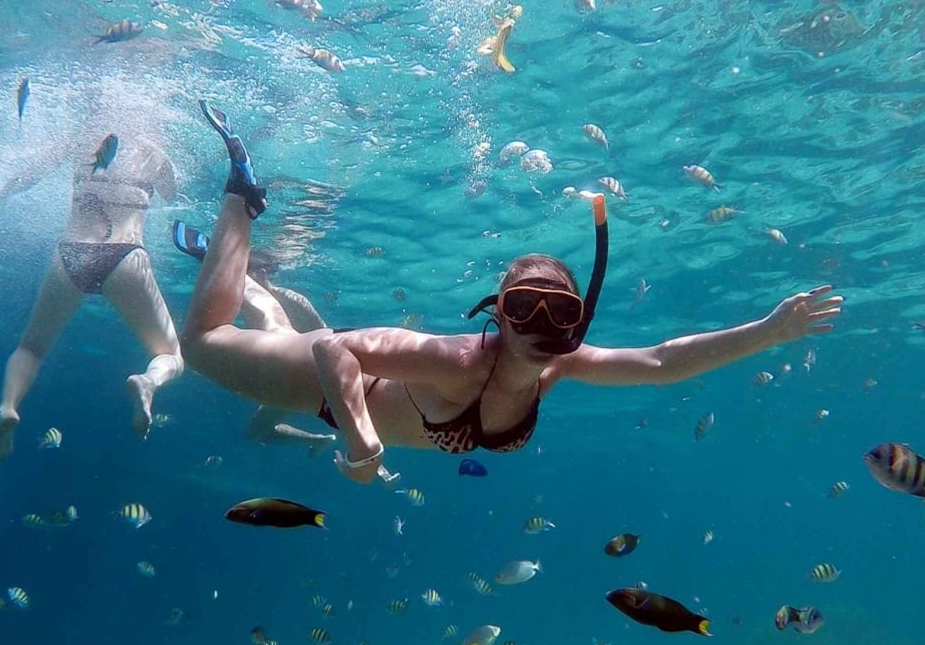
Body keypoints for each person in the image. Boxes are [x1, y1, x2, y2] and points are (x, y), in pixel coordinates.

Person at [174, 100, 844, 484]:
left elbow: (664, 362)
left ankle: (252, 277)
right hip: (330, 389)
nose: (541, 326)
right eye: (526, 307)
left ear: (580, 319)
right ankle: (241, 196)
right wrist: (359, 441)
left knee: (252, 325)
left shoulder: (562, 365)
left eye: (561, 311)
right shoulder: (456, 358)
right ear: (499, 313)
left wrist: (768, 331)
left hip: (351, 392)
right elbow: (336, 355)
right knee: (200, 343)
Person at [0, 122, 182, 461]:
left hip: (70, 255)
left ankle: (8, 407)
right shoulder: (155, 152)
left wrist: (0, 192)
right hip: (125, 255)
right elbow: (171, 194)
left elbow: (32, 173)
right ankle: (149, 382)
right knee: (171, 355)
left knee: (31, 347)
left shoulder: (79, 140)